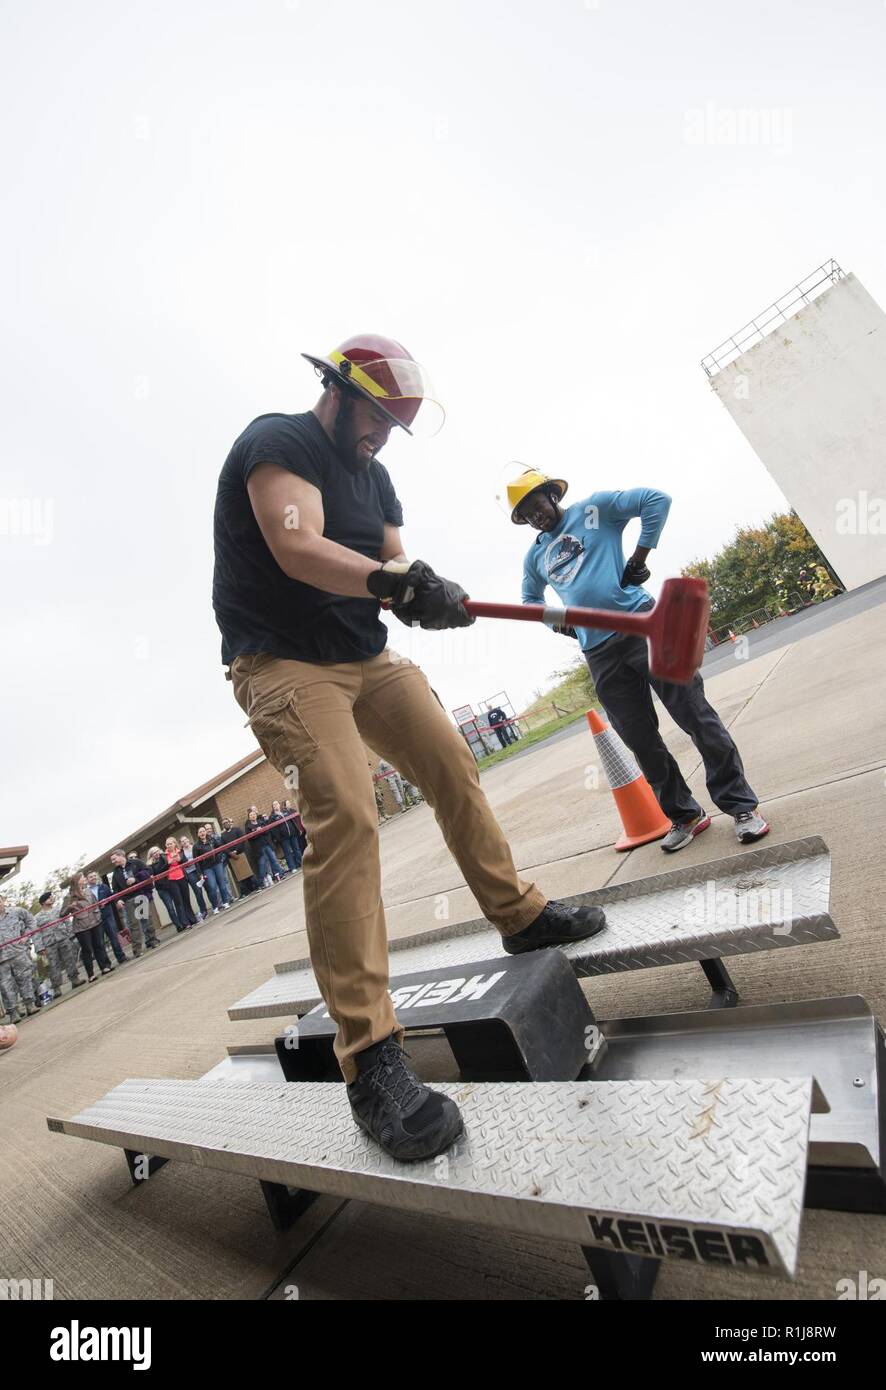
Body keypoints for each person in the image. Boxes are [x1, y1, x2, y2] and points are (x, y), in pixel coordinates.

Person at [212, 332, 606, 1162]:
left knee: (450, 761)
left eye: (396, 423)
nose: (382, 435)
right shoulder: (278, 441)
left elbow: (393, 559)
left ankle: (520, 915)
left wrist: (426, 589)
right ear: (338, 391)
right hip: (281, 659)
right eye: (378, 417)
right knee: (347, 815)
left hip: (363, 654)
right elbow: (298, 546)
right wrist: (391, 582)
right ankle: (371, 1060)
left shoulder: (378, 474)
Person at [508, 466, 770, 851]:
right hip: (598, 652)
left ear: (552, 495)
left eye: (537, 504)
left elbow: (655, 500)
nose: (535, 515)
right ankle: (685, 815)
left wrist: (639, 557)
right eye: (526, 514)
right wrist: (560, 625)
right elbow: (531, 601)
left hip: (644, 626)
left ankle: (742, 808)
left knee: (694, 715)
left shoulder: (594, 509)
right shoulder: (536, 557)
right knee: (640, 740)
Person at [60, 874, 114, 980]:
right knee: (87, 950)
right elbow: (62, 914)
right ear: (77, 881)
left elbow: (96, 903)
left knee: (99, 945)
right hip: (81, 927)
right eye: (82, 878)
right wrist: (69, 907)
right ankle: (91, 974)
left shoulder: (88, 891)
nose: (84, 879)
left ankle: (105, 967)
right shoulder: (69, 897)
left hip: (95, 922)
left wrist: (98, 914)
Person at [32, 890, 86, 995]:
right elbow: (36, 933)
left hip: (63, 938)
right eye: (49, 898)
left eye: (52, 897)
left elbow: (67, 921)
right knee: (53, 965)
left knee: (70, 959)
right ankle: (56, 987)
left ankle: (75, 979)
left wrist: (71, 935)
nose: (51, 898)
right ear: (43, 902)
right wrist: (40, 947)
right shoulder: (37, 918)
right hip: (49, 943)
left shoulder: (59, 910)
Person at [110, 851, 158, 953]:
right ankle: (137, 949)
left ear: (121, 856)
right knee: (133, 924)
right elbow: (115, 889)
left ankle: (152, 940)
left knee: (147, 918)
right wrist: (118, 900)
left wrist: (135, 879)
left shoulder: (136, 862)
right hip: (128, 900)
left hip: (141, 894)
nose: (113, 862)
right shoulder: (115, 873)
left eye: (114, 859)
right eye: (112, 860)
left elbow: (148, 871)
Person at [0, 894, 39, 1021]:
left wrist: (26, 936)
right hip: (1, 960)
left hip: (18, 953)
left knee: (25, 979)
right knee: (6, 986)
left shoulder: (16, 912)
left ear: (3, 900)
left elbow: (32, 921)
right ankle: (13, 1012)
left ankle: (30, 1005)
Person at [86, 870, 127, 965]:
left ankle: (121, 957)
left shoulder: (103, 887)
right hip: (95, 919)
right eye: (91, 877)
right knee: (100, 942)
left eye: (94, 875)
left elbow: (112, 897)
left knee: (114, 937)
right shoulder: (86, 892)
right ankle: (106, 964)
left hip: (108, 915)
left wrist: (109, 901)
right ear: (87, 880)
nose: (93, 877)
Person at [195, 825, 232, 911]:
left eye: (203, 831)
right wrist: (200, 873)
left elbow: (220, 847)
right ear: (198, 834)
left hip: (217, 864)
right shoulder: (196, 846)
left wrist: (220, 857)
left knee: (222, 883)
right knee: (212, 886)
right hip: (207, 868)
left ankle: (225, 902)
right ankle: (215, 906)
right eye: (200, 832)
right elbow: (196, 861)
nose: (202, 833)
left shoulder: (212, 839)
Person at [219, 817, 257, 896]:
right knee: (239, 875)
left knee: (248, 872)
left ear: (229, 822)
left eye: (226, 822)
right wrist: (230, 853)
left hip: (241, 853)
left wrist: (236, 850)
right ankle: (246, 892)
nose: (226, 824)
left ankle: (256, 887)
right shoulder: (222, 835)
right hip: (232, 857)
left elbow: (242, 840)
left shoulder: (237, 830)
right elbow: (223, 847)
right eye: (224, 824)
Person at [179, 836, 210, 919]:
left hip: (200, 870)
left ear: (188, 840)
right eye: (182, 841)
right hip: (190, 873)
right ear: (181, 844)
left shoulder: (195, 847)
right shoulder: (181, 853)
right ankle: (203, 911)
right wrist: (187, 863)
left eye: (185, 839)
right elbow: (181, 863)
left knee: (208, 887)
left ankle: (216, 905)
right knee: (198, 892)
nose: (184, 842)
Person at [268, 800, 301, 873]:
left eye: (277, 804)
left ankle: (301, 863)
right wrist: (278, 837)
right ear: (273, 807)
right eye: (274, 805)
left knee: (297, 849)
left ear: (279, 805)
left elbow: (293, 821)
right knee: (287, 853)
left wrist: (296, 830)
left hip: (292, 834)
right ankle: (292, 868)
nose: (276, 805)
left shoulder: (285, 812)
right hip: (283, 838)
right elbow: (273, 830)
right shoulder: (272, 817)